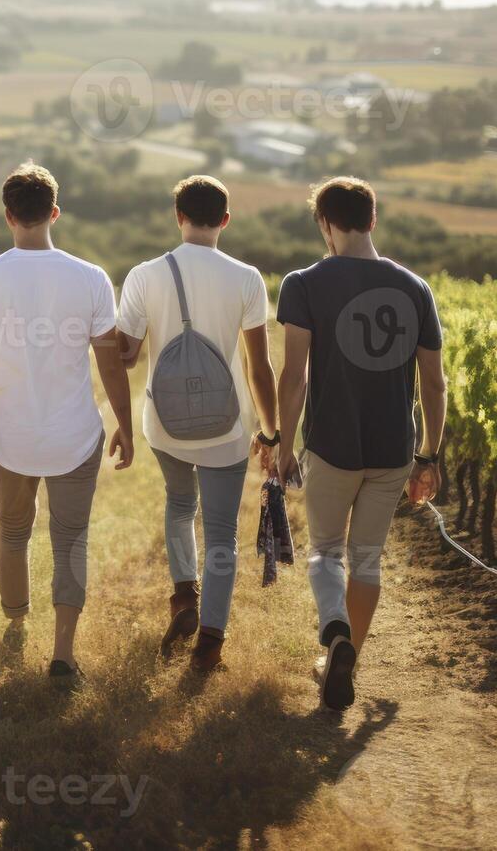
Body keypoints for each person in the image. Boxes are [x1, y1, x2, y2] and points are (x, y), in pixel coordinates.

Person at [0, 161, 135, 685]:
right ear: (54, 212)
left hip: (11, 437)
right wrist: (123, 422)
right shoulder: (91, 277)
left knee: (13, 533)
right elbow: (109, 362)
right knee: (71, 539)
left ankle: (15, 623)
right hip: (75, 436)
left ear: (8, 215)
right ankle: (62, 654)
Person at [274, 176, 446, 711]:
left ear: (325, 224)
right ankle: (345, 660)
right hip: (394, 449)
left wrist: (283, 447)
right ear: (373, 220)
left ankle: (335, 635)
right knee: (366, 560)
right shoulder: (417, 289)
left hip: (331, 445)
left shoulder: (303, 284)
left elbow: (295, 376)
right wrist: (429, 458)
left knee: (325, 552)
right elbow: (435, 384)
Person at [116, 175, 280, 674]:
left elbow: (124, 356)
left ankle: (184, 594)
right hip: (227, 429)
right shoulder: (247, 277)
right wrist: (271, 433)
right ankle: (210, 642)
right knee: (223, 534)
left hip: (165, 424)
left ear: (178, 217)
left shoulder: (144, 275)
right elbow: (258, 367)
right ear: (225, 221)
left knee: (179, 504)